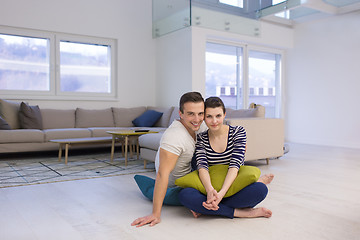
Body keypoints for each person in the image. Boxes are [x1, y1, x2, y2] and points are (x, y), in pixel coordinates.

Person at [178, 96, 274, 219]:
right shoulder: (201, 138)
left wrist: (221, 194)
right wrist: (209, 191)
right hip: (212, 188)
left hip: (233, 185)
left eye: (218, 116)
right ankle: (243, 212)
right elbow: (202, 167)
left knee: (260, 190)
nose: (214, 121)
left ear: (224, 114)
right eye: (209, 116)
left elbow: (235, 165)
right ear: (204, 118)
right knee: (184, 195)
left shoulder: (238, 132)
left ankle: (207, 209)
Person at [131, 92, 208, 227]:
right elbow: (162, 174)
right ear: (181, 113)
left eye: (200, 113)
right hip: (178, 185)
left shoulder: (200, 125)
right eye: (191, 114)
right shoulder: (174, 137)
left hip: (194, 170)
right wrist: (155, 214)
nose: (197, 119)